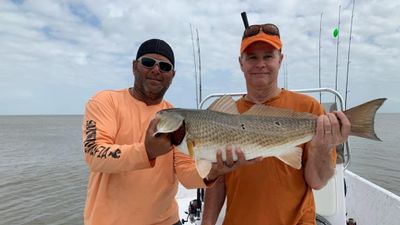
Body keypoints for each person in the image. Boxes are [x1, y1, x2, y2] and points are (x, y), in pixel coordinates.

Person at [82, 38, 255, 225]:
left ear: (172, 75)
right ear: (134, 66)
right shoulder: (105, 101)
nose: (156, 70)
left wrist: (213, 172)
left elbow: (185, 173)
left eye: (164, 67)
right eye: (148, 63)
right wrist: (146, 152)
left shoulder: (176, 119)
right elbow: (94, 155)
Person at [201, 23, 351, 225]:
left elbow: (317, 181)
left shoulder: (309, 109)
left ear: (281, 59)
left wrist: (324, 146)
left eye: (268, 56)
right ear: (241, 63)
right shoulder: (222, 115)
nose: (260, 64)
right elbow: (217, 179)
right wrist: (207, 223)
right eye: (252, 57)